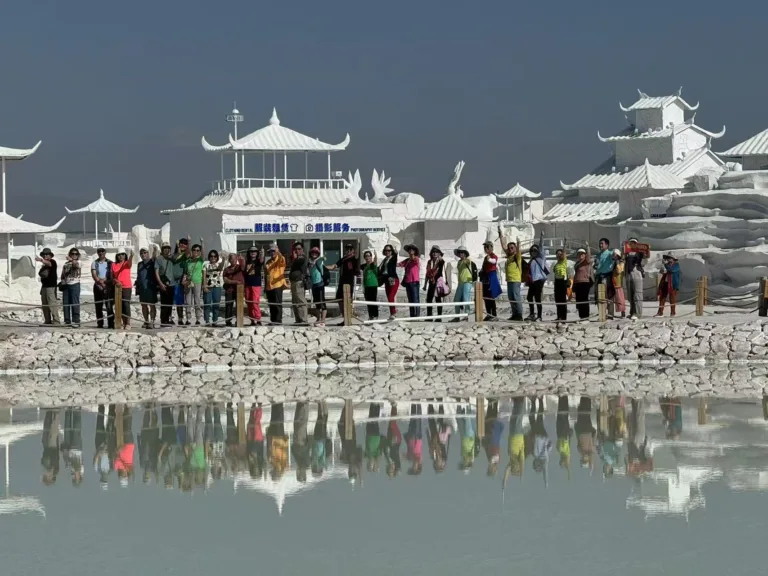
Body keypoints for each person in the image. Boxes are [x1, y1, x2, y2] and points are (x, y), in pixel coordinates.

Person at [499, 226, 524, 321]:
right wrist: (501, 236)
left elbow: (518, 250)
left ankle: (519, 315)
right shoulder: (509, 257)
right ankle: (514, 314)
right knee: (511, 297)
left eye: (512, 247)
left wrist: (518, 243)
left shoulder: (517, 256)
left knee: (516, 297)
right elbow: (503, 246)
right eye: (509, 248)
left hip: (515, 279)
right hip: (509, 279)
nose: (510, 249)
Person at [328, 244, 358, 321]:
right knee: (339, 299)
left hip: (349, 283)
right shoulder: (343, 259)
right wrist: (322, 267)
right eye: (347, 249)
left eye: (350, 249)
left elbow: (357, 271)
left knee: (348, 300)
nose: (348, 251)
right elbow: (334, 266)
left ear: (353, 250)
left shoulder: (354, 259)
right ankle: (344, 317)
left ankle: (348, 318)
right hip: (342, 281)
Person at [90, 247, 114, 328]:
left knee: (109, 305)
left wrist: (105, 281)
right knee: (98, 305)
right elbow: (94, 274)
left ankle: (111, 323)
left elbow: (112, 274)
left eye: (102, 252)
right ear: (97, 253)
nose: (101, 253)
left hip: (108, 285)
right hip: (97, 285)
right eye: (99, 252)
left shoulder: (110, 263)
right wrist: (100, 281)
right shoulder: (94, 263)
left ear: (105, 252)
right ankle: (100, 323)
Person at [35, 247, 60, 325]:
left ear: (50, 255)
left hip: (51, 286)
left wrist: (41, 260)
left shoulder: (53, 262)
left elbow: (49, 263)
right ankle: (47, 320)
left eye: (47, 254)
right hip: (44, 286)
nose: (45, 256)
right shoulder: (43, 266)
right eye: (44, 254)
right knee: (45, 305)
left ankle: (56, 321)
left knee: (52, 304)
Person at [154, 243, 176, 327]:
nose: (167, 250)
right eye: (165, 248)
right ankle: (163, 320)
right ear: (162, 249)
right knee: (164, 303)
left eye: (168, 248)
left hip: (172, 283)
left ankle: (169, 319)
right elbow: (156, 271)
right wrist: (160, 283)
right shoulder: (159, 258)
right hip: (163, 283)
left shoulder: (171, 258)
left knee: (170, 303)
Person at [136, 247, 158, 329]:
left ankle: (152, 321)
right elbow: (139, 275)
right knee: (143, 305)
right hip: (142, 288)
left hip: (151, 287)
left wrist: (155, 251)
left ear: (148, 253)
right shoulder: (139, 264)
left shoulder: (152, 262)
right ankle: (146, 321)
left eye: (145, 252)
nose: (143, 254)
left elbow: (154, 257)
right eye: (141, 253)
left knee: (152, 305)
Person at [111, 250, 134, 329]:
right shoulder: (113, 264)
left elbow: (130, 263)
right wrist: (116, 280)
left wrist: (131, 256)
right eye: (119, 255)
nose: (121, 256)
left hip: (126, 286)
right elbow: (113, 276)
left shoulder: (126, 263)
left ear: (125, 255)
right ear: (117, 256)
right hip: (117, 287)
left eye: (122, 254)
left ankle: (127, 323)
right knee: (118, 304)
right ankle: (119, 322)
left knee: (126, 304)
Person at [183, 243, 205, 325]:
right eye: (194, 250)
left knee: (197, 301)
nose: (196, 251)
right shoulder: (187, 261)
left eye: (197, 250)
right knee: (188, 301)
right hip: (188, 282)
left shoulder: (200, 260)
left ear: (199, 252)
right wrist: (188, 242)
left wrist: (202, 242)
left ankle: (198, 318)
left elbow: (203, 253)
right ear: (192, 251)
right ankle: (188, 319)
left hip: (197, 282)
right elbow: (185, 272)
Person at [264, 244, 287, 324]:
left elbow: (281, 257)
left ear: (277, 251)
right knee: (271, 304)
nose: (272, 253)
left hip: (278, 284)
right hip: (269, 286)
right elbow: (265, 274)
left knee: (277, 303)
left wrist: (278, 251)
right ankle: (273, 320)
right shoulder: (268, 262)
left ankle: (278, 320)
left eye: (273, 251)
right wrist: (265, 288)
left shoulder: (280, 259)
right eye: (270, 251)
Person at [424, 246, 448, 320]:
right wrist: (425, 284)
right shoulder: (429, 262)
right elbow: (427, 273)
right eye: (433, 252)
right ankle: (429, 316)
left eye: (436, 252)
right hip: (431, 282)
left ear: (439, 254)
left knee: (438, 299)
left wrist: (441, 258)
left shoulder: (440, 261)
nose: (434, 253)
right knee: (429, 299)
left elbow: (441, 266)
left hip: (437, 282)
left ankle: (439, 317)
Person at [624, 237, 646, 319]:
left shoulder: (639, 252)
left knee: (638, 294)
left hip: (636, 272)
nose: (632, 244)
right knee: (630, 294)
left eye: (634, 243)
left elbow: (645, 258)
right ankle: (632, 312)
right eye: (631, 243)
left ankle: (638, 313)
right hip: (628, 274)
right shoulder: (627, 252)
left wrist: (645, 252)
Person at [480, 241, 502, 320]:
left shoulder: (493, 256)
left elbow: (494, 261)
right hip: (485, 278)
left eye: (487, 247)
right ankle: (489, 314)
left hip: (491, 277)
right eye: (485, 247)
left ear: (491, 248)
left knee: (491, 296)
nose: (486, 249)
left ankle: (494, 315)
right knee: (486, 297)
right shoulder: (486, 257)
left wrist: (488, 258)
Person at [526, 244, 549, 321]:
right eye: (532, 250)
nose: (533, 252)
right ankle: (532, 314)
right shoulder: (531, 260)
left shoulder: (540, 258)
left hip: (539, 280)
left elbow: (541, 247)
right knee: (529, 297)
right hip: (532, 281)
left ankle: (539, 316)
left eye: (535, 250)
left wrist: (541, 237)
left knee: (537, 298)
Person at [452, 246, 475, 321]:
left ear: (465, 253)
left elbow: (468, 262)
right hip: (461, 282)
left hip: (467, 281)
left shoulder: (468, 260)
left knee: (466, 298)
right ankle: (457, 316)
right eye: (459, 252)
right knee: (456, 299)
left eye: (462, 252)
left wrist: (465, 259)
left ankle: (466, 316)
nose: (460, 254)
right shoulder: (459, 262)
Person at [288, 242, 309, 325]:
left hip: (299, 281)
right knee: (295, 301)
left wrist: (295, 257)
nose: (297, 250)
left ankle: (304, 319)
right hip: (294, 282)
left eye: (299, 249)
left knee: (300, 300)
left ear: (302, 250)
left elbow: (300, 261)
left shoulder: (302, 257)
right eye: (295, 249)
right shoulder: (295, 259)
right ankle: (298, 319)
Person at [60, 248, 82, 327]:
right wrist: (62, 280)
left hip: (75, 284)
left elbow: (76, 265)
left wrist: (72, 260)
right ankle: (67, 320)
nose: (74, 255)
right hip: (66, 284)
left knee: (75, 302)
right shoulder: (66, 263)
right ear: (70, 254)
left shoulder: (79, 262)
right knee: (66, 303)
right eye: (72, 254)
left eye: (76, 254)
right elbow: (63, 273)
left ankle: (76, 320)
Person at [202, 249, 224, 326]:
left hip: (217, 287)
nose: (213, 258)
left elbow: (221, 266)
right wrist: (204, 286)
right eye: (211, 256)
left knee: (216, 304)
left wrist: (223, 257)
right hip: (208, 286)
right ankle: (207, 321)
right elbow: (204, 276)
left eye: (215, 256)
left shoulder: (218, 265)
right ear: (209, 257)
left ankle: (215, 320)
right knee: (207, 303)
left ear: (217, 257)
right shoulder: (206, 265)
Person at [398, 244, 421, 318]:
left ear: (414, 251)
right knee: (410, 299)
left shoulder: (416, 259)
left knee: (415, 299)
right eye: (409, 250)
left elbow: (414, 259)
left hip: (414, 281)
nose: (410, 251)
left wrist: (412, 255)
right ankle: (412, 315)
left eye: (412, 250)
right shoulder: (407, 260)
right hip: (408, 282)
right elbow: (399, 264)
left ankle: (417, 316)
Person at [242, 247, 263, 325]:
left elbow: (261, 260)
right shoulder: (246, 261)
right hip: (247, 285)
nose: (253, 252)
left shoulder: (258, 261)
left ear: (257, 253)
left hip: (256, 284)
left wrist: (262, 253)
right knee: (249, 302)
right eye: (251, 251)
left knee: (255, 302)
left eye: (255, 251)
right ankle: (252, 320)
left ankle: (258, 319)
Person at [594, 237, 615, 317]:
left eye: (602, 243)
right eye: (600, 243)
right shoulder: (598, 255)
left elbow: (614, 257)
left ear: (607, 245)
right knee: (599, 295)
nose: (600, 245)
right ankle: (601, 313)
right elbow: (596, 265)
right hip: (599, 276)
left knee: (609, 294)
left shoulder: (610, 253)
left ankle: (610, 313)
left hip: (607, 276)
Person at [223, 252, 245, 326]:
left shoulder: (239, 267)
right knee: (229, 305)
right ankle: (228, 321)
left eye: (234, 259)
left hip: (239, 290)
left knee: (239, 306)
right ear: (229, 260)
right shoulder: (226, 269)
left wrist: (241, 259)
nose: (233, 260)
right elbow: (226, 280)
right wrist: (235, 282)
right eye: (231, 259)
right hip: (229, 290)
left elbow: (243, 266)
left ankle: (238, 321)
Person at [378, 244, 399, 320]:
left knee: (391, 296)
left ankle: (393, 313)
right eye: (386, 250)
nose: (387, 252)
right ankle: (392, 313)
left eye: (389, 250)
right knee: (389, 297)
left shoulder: (393, 258)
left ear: (391, 251)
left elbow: (396, 257)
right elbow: (380, 269)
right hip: (386, 280)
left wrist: (396, 253)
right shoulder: (384, 260)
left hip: (393, 279)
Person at [308, 247, 327, 326]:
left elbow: (324, 258)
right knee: (317, 303)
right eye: (313, 252)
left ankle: (323, 320)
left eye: (316, 253)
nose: (314, 254)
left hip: (320, 284)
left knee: (322, 302)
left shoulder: (318, 261)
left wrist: (317, 259)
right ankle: (318, 319)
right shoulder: (309, 262)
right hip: (314, 285)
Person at [572, 247, 593, 320]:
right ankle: (581, 316)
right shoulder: (577, 264)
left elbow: (589, 255)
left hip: (585, 282)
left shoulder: (586, 262)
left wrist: (587, 247)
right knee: (579, 300)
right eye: (579, 254)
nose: (580, 255)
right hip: (577, 283)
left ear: (584, 255)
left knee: (584, 300)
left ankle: (586, 316)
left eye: (582, 254)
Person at [173, 238, 190, 325]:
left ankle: (188, 318)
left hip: (187, 279)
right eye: (181, 243)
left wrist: (189, 242)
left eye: (185, 244)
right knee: (179, 300)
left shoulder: (188, 254)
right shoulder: (175, 255)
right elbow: (176, 258)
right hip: (177, 281)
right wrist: (177, 247)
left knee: (188, 299)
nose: (183, 245)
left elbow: (187, 254)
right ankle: (180, 318)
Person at [556, 396, 572, 477]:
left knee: (560, 415)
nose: (562, 461)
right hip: (565, 435)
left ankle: (560, 398)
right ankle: (564, 398)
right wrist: (568, 472)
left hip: (559, 434)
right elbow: (568, 464)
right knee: (564, 416)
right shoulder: (567, 453)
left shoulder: (559, 451)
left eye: (561, 462)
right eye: (563, 463)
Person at [552, 248, 570, 322]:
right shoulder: (556, 263)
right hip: (557, 282)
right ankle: (559, 316)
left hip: (563, 281)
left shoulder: (564, 262)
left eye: (560, 254)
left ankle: (563, 317)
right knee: (557, 299)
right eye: (557, 254)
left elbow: (564, 253)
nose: (559, 255)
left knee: (562, 300)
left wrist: (565, 244)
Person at [361, 250, 380, 320]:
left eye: (369, 256)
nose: (367, 257)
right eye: (366, 256)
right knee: (368, 301)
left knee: (373, 300)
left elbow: (375, 262)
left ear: (371, 257)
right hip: (366, 286)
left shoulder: (373, 265)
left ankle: (375, 315)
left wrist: (376, 256)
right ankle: (371, 316)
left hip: (373, 285)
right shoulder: (365, 267)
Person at [611, 249, 626, 319]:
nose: (613, 256)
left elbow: (619, 271)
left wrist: (617, 263)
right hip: (611, 282)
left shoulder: (621, 263)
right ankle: (610, 313)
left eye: (614, 254)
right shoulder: (612, 263)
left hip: (618, 283)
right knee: (610, 299)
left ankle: (623, 312)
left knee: (620, 299)